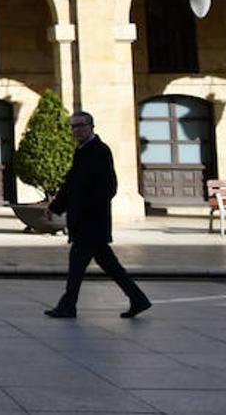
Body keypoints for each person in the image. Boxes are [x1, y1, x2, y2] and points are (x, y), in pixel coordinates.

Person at [44, 111, 151, 319]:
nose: (76, 130)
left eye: (80, 126)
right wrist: (55, 207)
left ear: (91, 126)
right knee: (110, 266)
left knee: (77, 265)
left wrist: (88, 209)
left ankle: (68, 305)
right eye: (73, 126)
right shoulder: (82, 151)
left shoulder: (99, 151)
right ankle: (138, 299)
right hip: (86, 223)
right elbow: (71, 185)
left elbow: (109, 187)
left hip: (91, 222)